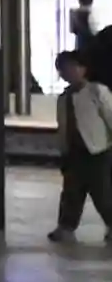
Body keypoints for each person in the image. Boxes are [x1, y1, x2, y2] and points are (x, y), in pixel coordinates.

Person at [57, 35, 112, 239]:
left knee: (103, 193)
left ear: (83, 69)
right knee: (71, 192)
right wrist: (63, 149)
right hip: (74, 151)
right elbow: (63, 127)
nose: (67, 73)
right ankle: (66, 226)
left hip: (98, 150)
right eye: (62, 69)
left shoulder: (97, 91)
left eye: (71, 67)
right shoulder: (64, 98)